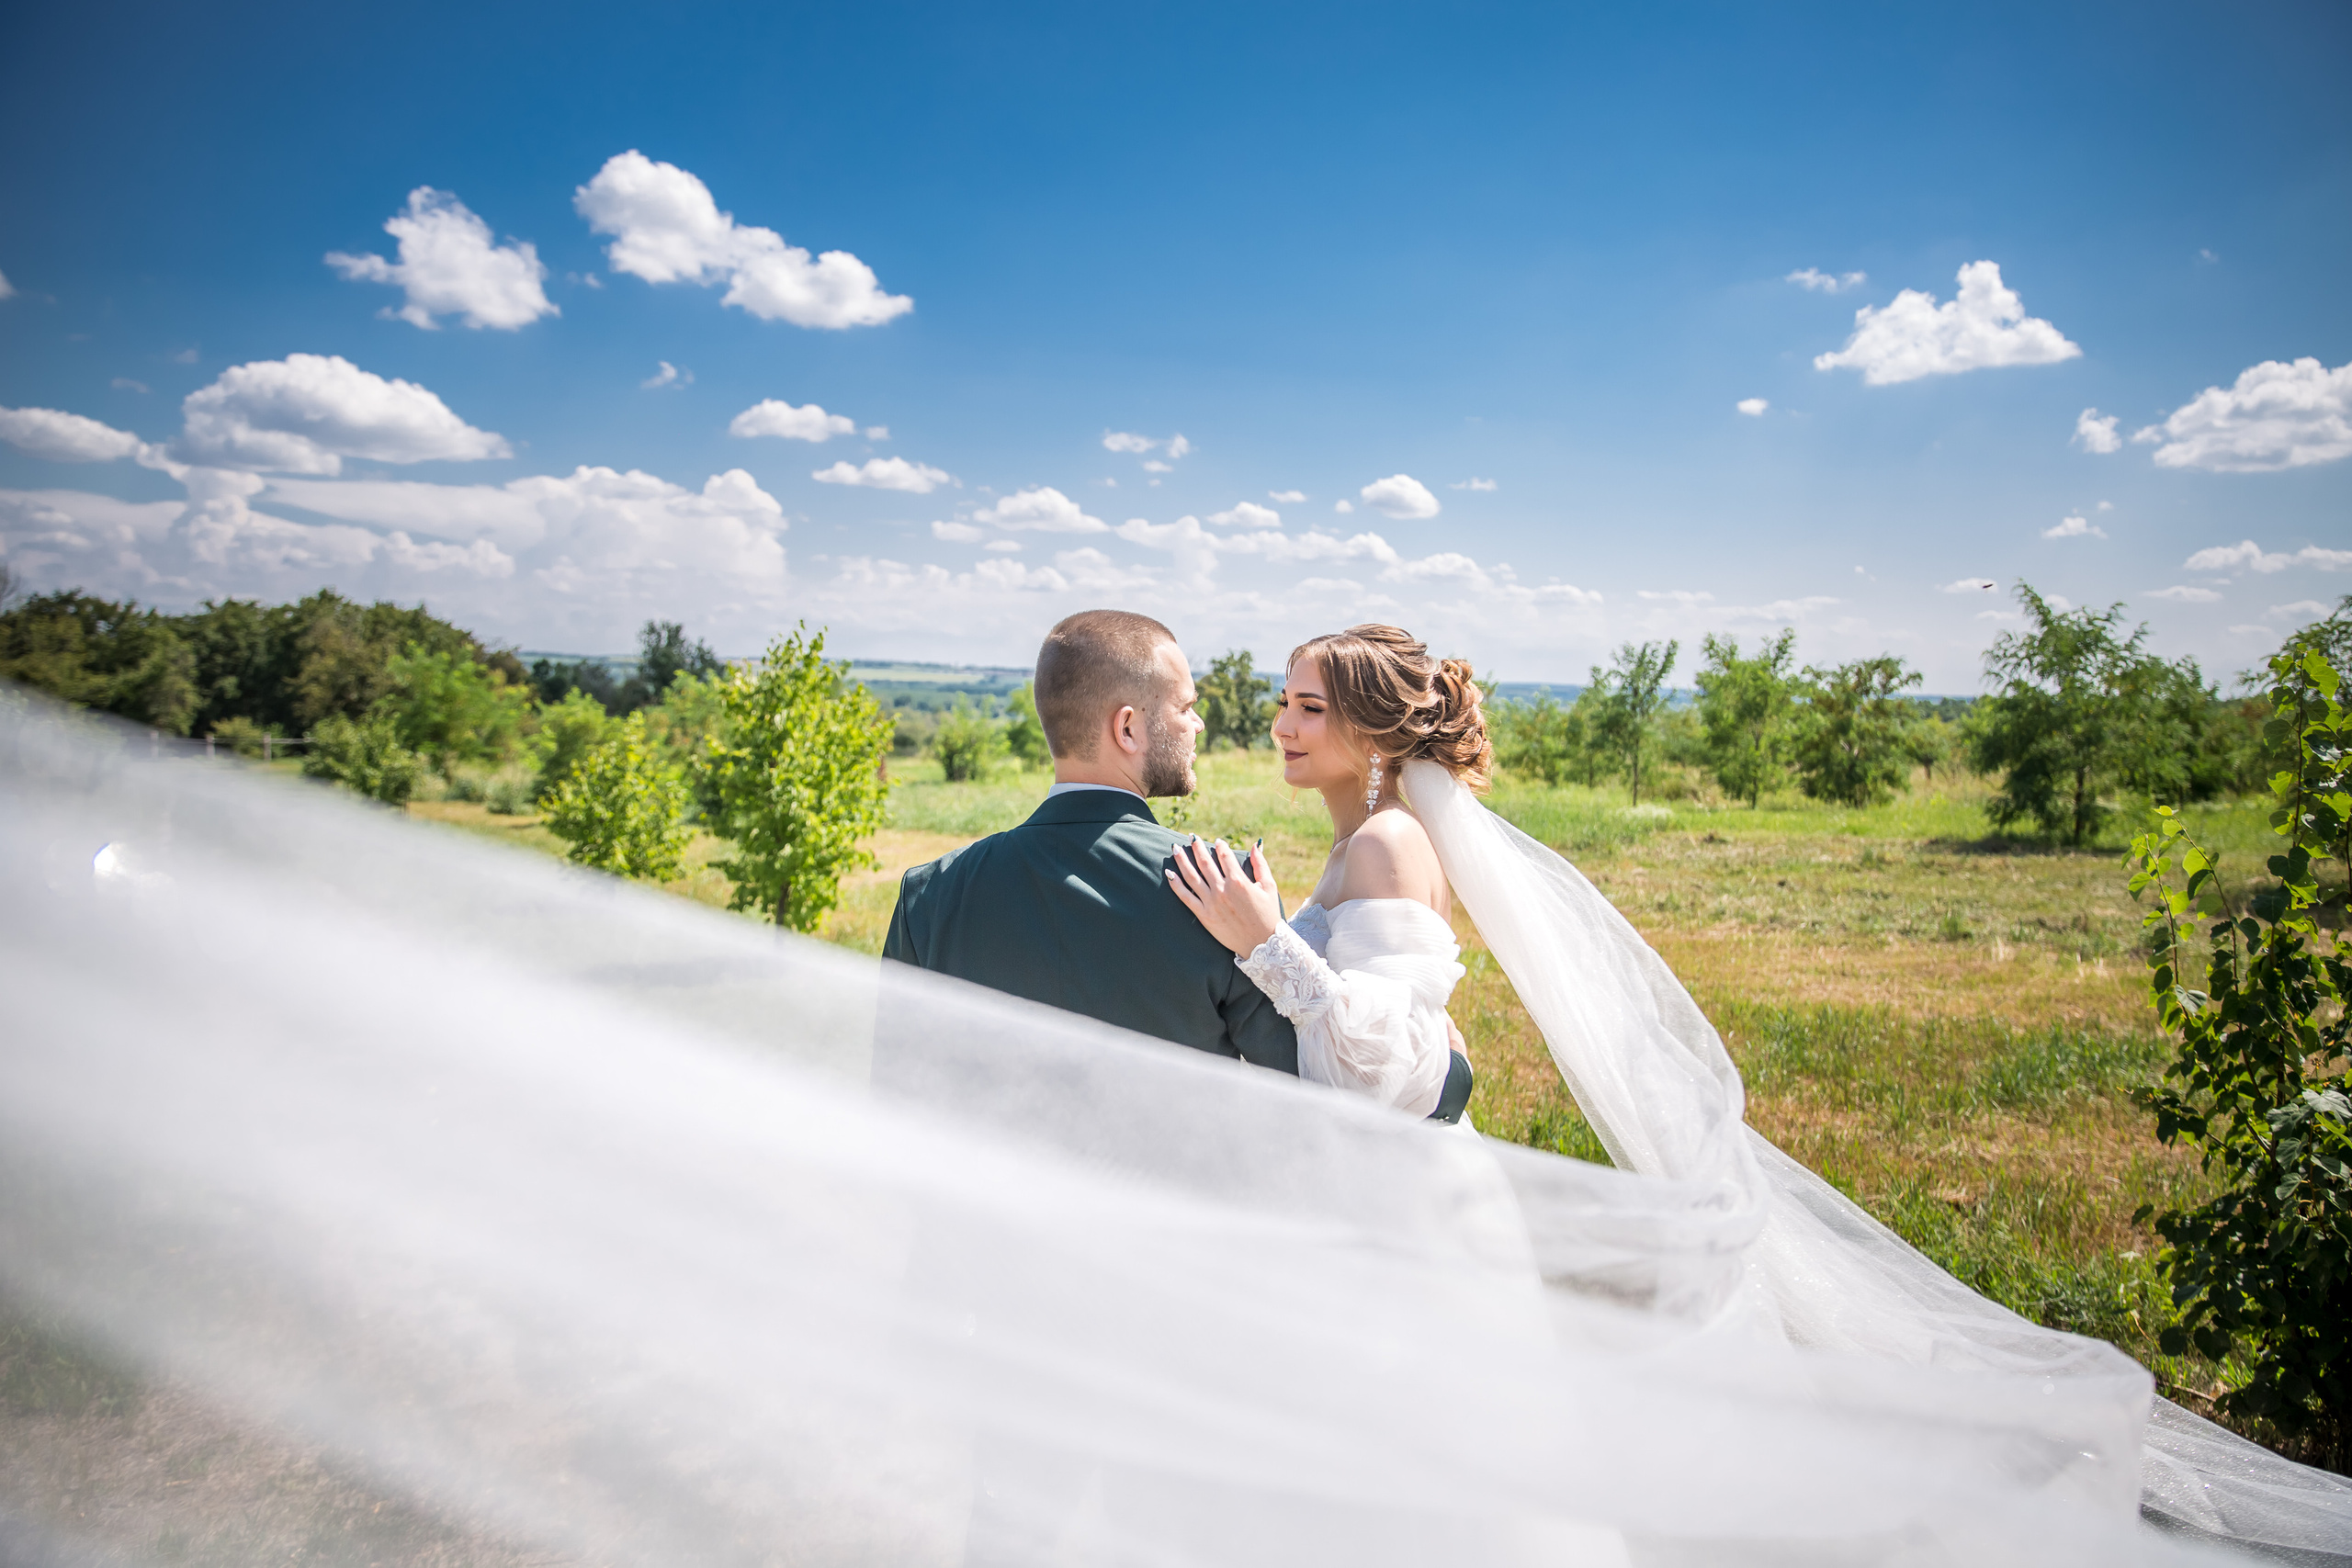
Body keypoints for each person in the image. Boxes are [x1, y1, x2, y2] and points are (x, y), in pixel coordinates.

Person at [882, 608, 1297, 1074]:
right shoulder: (1222, 889)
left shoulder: (928, 895)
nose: (1197, 724)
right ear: (1127, 728)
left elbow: (897, 1092)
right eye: (1184, 707)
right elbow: (1294, 1090)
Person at [1167, 625, 1478, 1124]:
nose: (1282, 727)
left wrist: (1264, 939)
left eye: (1310, 709)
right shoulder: (1359, 842)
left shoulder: (1385, 841)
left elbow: (1381, 1074)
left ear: (1374, 728)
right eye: (1284, 703)